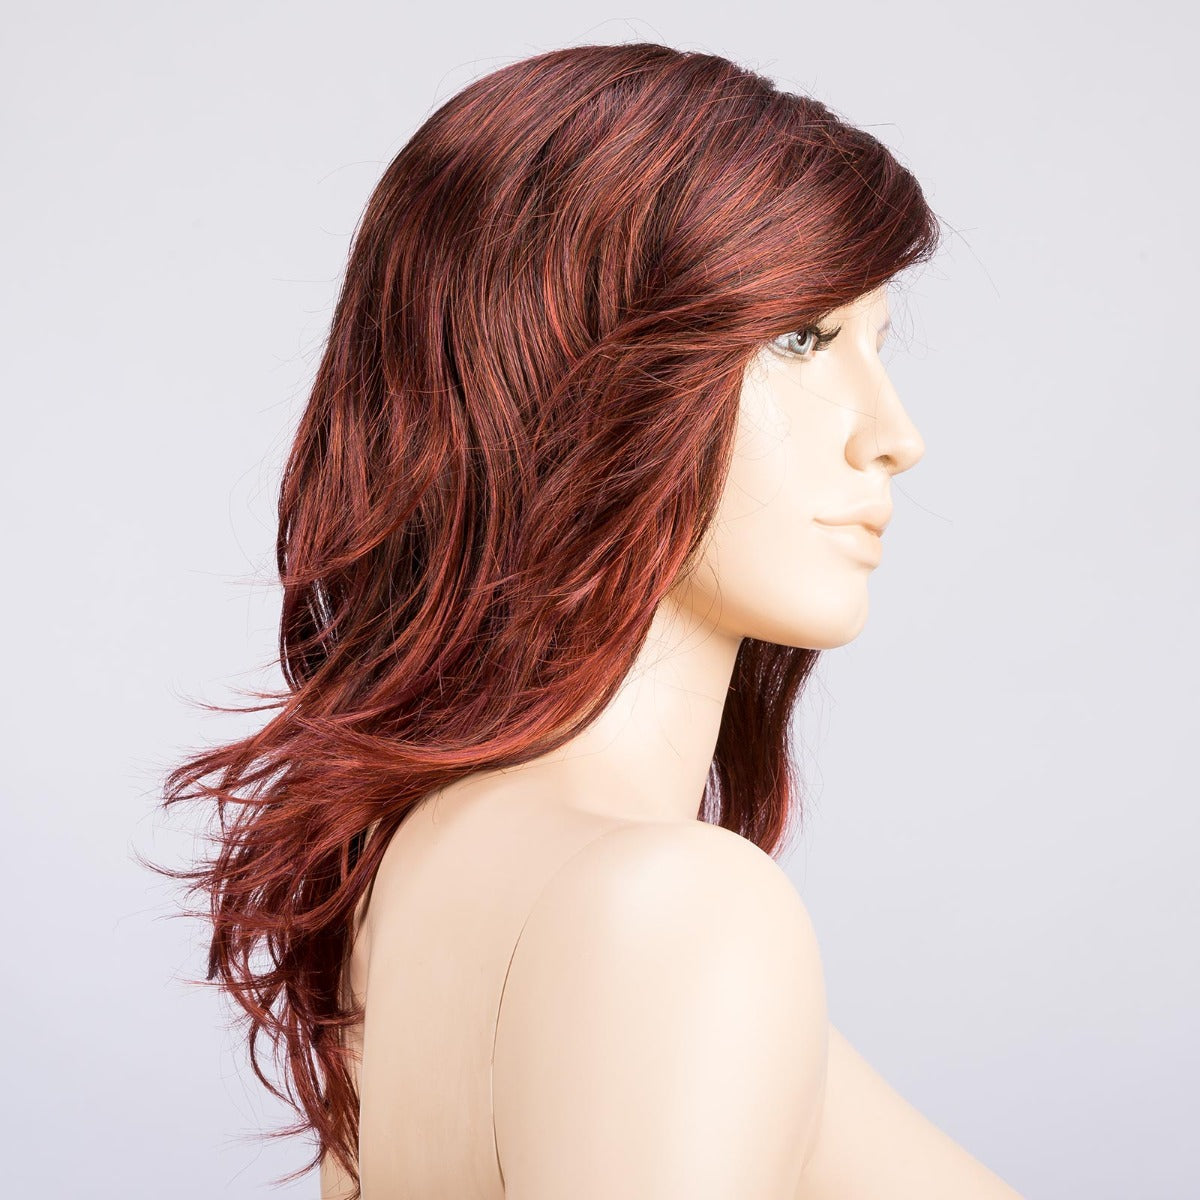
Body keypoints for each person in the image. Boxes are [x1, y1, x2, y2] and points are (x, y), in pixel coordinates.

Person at [157, 41, 1025, 1199]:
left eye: (878, 342)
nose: (895, 434)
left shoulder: (433, 876)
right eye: (802, 339)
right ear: (587, 369)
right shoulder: (672, 914)